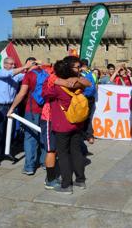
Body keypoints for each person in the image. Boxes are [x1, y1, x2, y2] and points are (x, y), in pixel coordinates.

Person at [45, 56, 92, 194]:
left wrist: (52, 79)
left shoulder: (57, 87)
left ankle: (66, 185)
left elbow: (44, 93)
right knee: (76, 152)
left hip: (62, 125)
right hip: (76, 124)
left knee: (64, 155)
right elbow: (88, 83)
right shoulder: (80, 84)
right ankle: (80, 180)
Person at [8, 57, 47, 175]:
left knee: (30, 137)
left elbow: (22, 93)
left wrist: (12, 107)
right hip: (45, 109)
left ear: (28, 64)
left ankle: (29, 166)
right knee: (44, 135)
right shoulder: (45, 73)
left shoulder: (29, 75)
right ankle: (45, 162)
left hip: (32, 109)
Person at [0, 57, 33, 164]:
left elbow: (26, 76)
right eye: (11, 64)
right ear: (5, 64)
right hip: (0, 107)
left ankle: (7, 151)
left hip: (11, 106)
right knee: (0, 132)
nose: (13, 66)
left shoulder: (16, 76)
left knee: (11, 130)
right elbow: (9, 74)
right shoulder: (1, 73)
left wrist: (33, 67)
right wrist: (25, 66)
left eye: (14, 64)